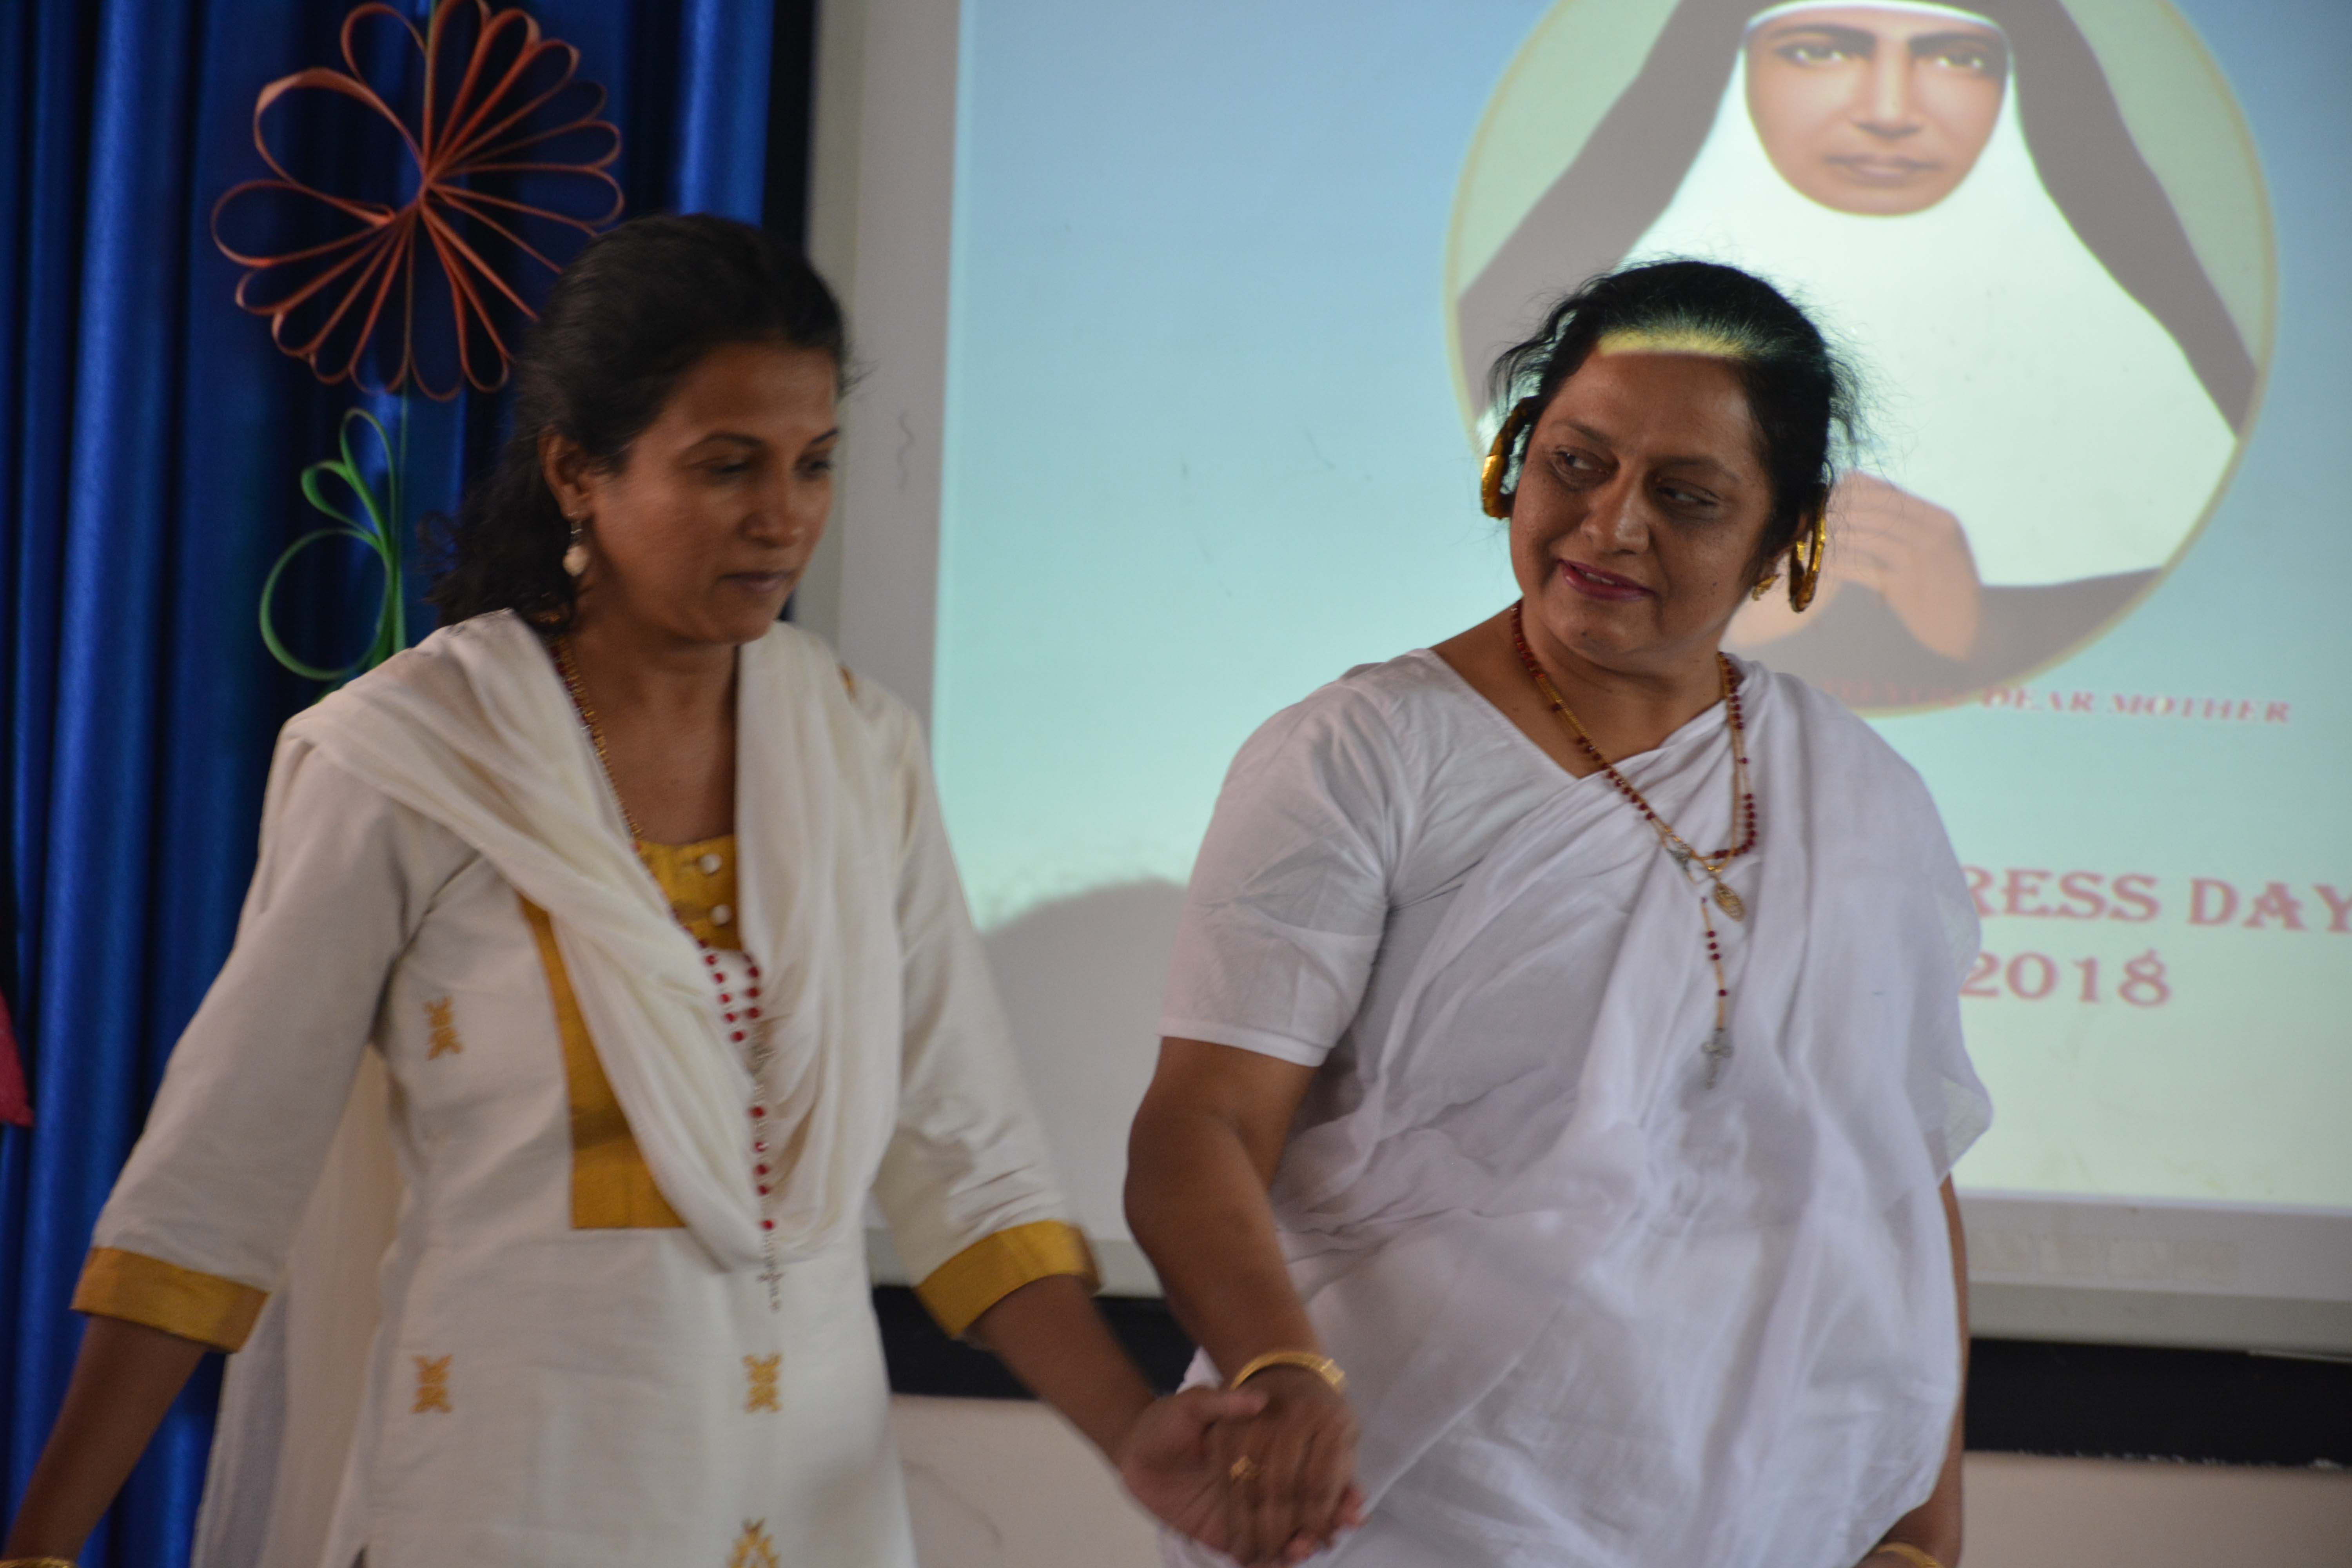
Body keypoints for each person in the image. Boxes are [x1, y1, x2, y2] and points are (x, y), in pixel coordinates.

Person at [1, 216, 1304, 1568]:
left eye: (814, 464)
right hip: (506, 1503)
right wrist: (41, 1545)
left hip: (810, 1513)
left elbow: (965, 1167)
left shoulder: (862, 753)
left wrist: (1132, 1432)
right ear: (578, 470)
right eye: (727, 466)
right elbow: (218, 1182)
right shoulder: (412, 760)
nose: (783, 516)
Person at [1129, 260, 1992, 1566]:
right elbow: (1202, 1124)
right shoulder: (1365, 754)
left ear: (1787, 538)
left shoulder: (1863, 797)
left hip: (1775, 1523)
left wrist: (1923, 1534)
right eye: (1575, 465)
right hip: (1403, 1501)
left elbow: (1899, 1185)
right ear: (1512, 463)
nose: (1611, 526)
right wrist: (1278, 1369)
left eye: (1687, 497)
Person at [1456, 0, 2254, 708]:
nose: (1890, 111)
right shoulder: (1396, 734)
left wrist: (1984, 624)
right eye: (1820, 50)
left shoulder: (1854, 780)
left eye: (1956, 57)